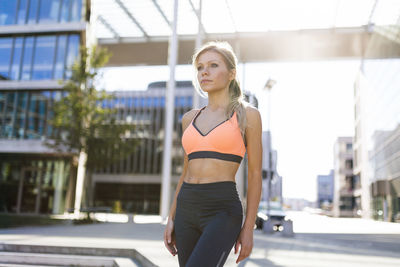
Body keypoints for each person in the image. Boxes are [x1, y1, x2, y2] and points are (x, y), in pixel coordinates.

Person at [163, 41, 262, 266]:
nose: (204, 72)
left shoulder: (248, 115)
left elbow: (255, 174)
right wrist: (172, 217)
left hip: (222, 209)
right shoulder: (189, 119)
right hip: (186, 207)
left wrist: (248, 228)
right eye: (199, 67)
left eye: (213, 65)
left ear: (231, 74)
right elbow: (186, 172)